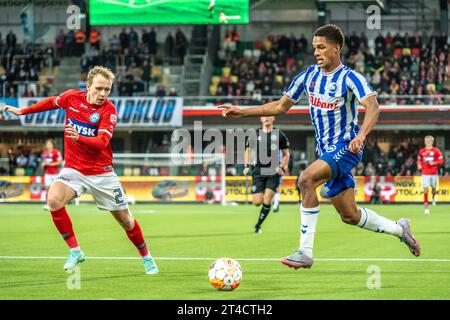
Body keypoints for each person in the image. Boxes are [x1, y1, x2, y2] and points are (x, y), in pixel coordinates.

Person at [219, 24, 420, 270]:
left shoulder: (350, 77)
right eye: (315, 48)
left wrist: (362, 134)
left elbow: (373, 106)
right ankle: (401, 230)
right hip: (326, 151)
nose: (317, 52)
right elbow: (281, 106)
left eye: (322, 47)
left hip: (347, 146)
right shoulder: (308, 76)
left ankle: (305, 252)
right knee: (350, 216)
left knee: (306, 179)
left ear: (337, 48)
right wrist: (242, 112)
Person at [3, 66, 158, 274]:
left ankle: (146, 257)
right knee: (53, 200)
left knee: (126, 221)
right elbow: (51, 102)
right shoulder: (71, 98)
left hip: (102, 173)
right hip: (74, 170)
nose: (103, 94)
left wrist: (79, 137)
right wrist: (23, 111)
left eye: (107, 90)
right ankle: (75, 251)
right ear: (88, 86)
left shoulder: (109, 110)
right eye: (99, 88)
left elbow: (102, 142)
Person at [243, 116, 290, 234]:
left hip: (273, 171)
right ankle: (267, 193)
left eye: (269, 116)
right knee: (257, 202)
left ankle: (258, 225)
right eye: (264, 116)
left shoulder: (280, 135)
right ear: (261, 119)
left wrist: (282, 167)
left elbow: (286, 154)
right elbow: (248, 150)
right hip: (258, 171)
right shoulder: (254, 133)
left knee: (267, 198)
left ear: (273, 118)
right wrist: (246, 166)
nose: (266, 118)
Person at [417, 135, 444, 214]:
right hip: (425, 173)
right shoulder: (422, 151)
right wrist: (419, 164)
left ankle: (433, 198)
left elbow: (441, 161)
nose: (428, 143)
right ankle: (426, 206)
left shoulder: (436, 150)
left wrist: (434, 163)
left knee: (433, 188)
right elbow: (419, 160)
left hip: (433, 173)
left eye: (429, 141)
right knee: (425, 188)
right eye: (426, 141)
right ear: (425, 142)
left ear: (432, 142)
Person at [41, 139, 62, 211]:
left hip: (55, 173)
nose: (48, 145)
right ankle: (48, 204)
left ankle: (59, 203)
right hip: (47, 173)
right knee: (47, 189)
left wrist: (49, 164)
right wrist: (43, 164)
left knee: (56, 189)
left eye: (49, 144)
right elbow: (44, 162)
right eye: (47, 144)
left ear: (53, 144)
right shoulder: (45, 153)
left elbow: (59, 162)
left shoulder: (56, 152)